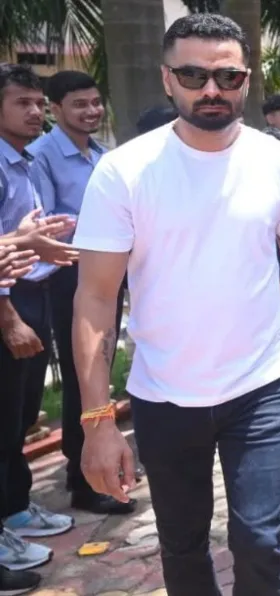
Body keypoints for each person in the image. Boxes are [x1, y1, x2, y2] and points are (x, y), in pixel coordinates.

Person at [72, 14, 280, 595]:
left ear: (246, 79)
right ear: (167, 80)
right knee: (182, 545)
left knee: (259, 541)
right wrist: (96, 419)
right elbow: (95, 297)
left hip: (258, 389)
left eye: (226, 76)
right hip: (163, 394)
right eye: (192, 74)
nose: (210, 89)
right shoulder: (124, 171)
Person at [27, 70, 133, 516]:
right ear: (55, 109)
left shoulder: (102, 156)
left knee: (101, 370)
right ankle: (84, 478)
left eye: (95, 102)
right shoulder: (40, 158)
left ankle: (107, 461)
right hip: (69, 277)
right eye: (79, 104)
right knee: (80, 374)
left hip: (111, 271)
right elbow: (45, 226)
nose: (91, 111)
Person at [0, 63, 77, 596]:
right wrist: (8, 319)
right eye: (22, 102)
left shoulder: (22, 162)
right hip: (8, 303)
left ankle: (13, 513)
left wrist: (38, 246)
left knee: (18, 416)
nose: (35, 112)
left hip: (30, 292)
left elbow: (17, 240)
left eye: (36, 102)